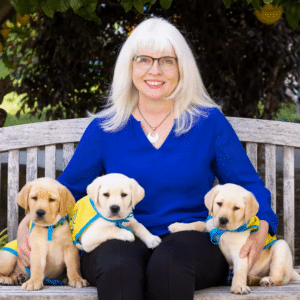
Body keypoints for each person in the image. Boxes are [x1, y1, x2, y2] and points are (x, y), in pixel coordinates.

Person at [17, 17, 278, 299]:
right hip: (117, 231)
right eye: (144, 59)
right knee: (118, 268)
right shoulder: (106, 128)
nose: (155, 70)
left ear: (182, 68)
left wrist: (260, 229)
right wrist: (26, 224)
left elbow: (249, 185)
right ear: (129, 67)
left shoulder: (208, 123)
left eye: (167, 60)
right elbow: (67, 190)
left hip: (190, 238)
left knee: (168, 268)